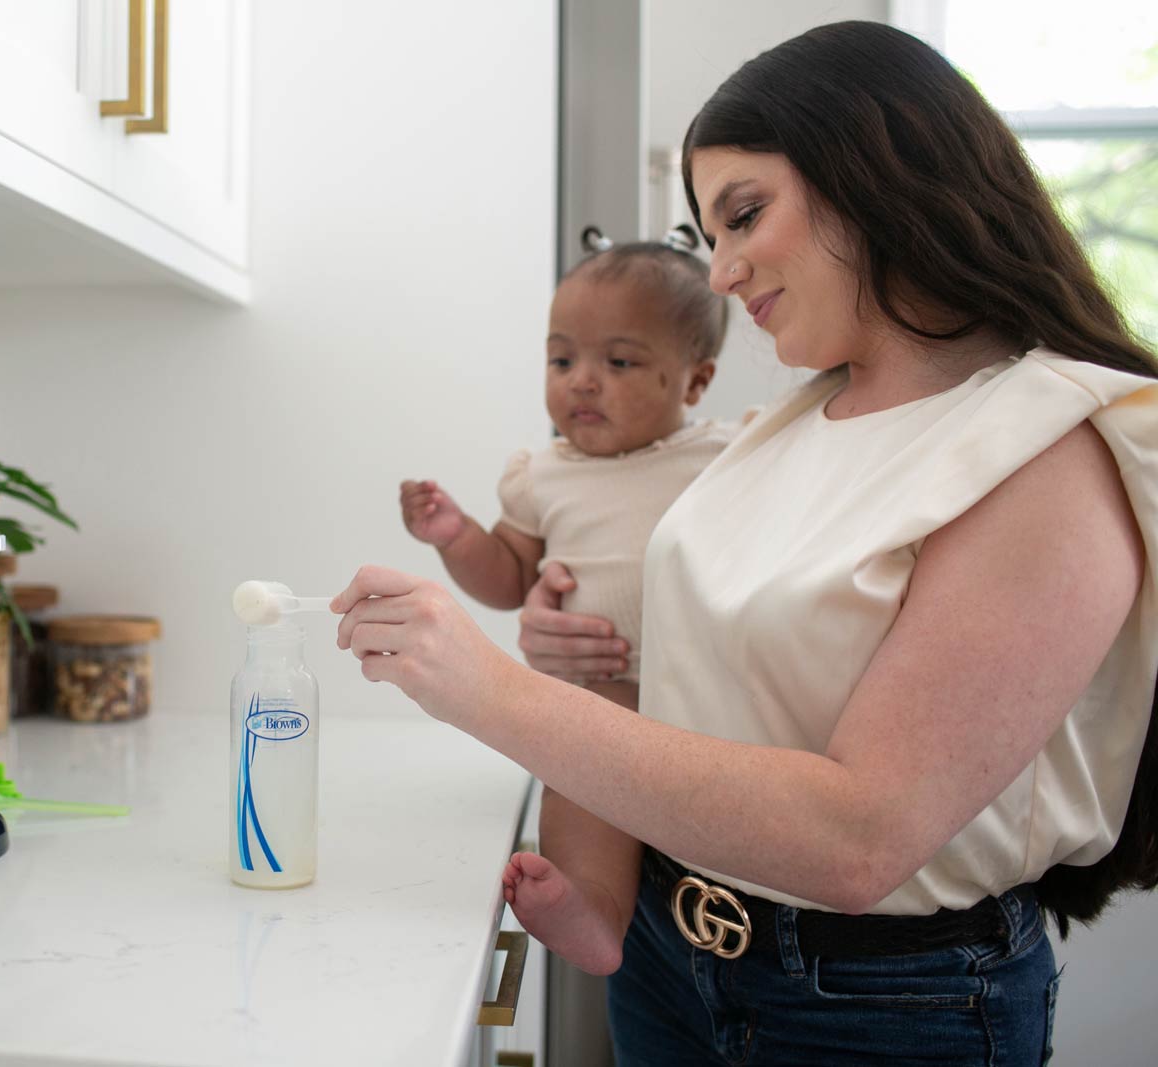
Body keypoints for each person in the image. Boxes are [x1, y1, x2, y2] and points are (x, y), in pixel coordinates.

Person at [330, 21, 1158, 1066]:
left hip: (880, 1003)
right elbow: (729, 679)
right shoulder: (786, 425)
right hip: (668, 946)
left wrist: (487, 687)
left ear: (877, 172)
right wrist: (577, 646)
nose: (718, 274)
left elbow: (860, 836)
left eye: (743, 216)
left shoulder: (1050, 445)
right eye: (708, 234)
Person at [399, 227, 732, 714]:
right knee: (573, 783)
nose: (582, 382)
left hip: (709, 691)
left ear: (695, 382)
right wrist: (459, 538)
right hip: (598, 688)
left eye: (618, 362)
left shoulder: (723, 455)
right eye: (561, 359)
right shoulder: (542, 474)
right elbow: (510, 578)